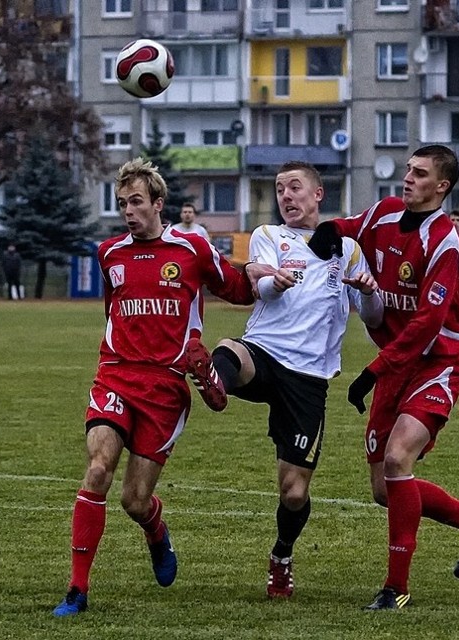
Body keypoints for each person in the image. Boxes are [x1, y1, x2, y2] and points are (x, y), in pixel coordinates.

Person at [53, 158, 273, 617]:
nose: (128, 211)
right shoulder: (110, 253)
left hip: (167, 388)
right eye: (121, 204)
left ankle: (155, 528)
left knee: (134, 500)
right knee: (98, 468)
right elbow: (112, 310)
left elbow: (236, 289)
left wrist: (262, 274)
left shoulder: (191, 248)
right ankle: (77, 590)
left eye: (136, 202)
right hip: (115, 373)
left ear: (158, 203)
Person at [308, 145, 459, 611]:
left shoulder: (445, 244)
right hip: (396, 365)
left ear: (442, 187)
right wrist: (327, 233)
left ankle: (395, 588)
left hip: (438, 363)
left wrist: (373, 370)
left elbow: (426, 325)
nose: (407, 179)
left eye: (419, 174)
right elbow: (348, 229)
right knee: (383, 490)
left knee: (397, 460)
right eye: (408, 170)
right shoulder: (384, 214)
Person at [182, 160, 383, 599]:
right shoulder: (269, 236)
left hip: (309, 378)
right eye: (279, 189)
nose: (286, 196)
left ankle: (282, 555)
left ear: (317, 195)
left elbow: (374, 318)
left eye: (295, 188)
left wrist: (369, 292)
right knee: (233, 349)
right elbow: (264, 289)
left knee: (293, 493)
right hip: (266, 353)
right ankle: (216, 377)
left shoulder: (346, 248)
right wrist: (277, 281)